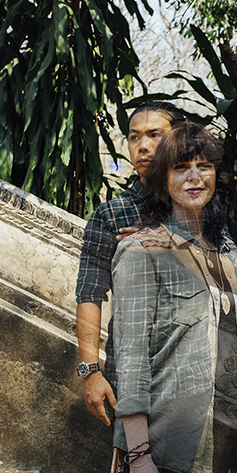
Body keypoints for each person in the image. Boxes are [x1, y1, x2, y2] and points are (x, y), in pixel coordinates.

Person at [109, 122, 237, 473]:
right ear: (162, 180)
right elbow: (132, 362)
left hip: (222, 452)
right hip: (163, 455)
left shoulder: (226, 251)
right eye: (180, 168)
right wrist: (138, 461)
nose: (194, 177)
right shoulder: (141, 251)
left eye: (203, 165)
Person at [75, 102, 185, 426]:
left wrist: (167, 240)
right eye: (135, 137)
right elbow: (88, 295)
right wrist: (90, 372)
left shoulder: (201, 210)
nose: (144, 145)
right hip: (130, 376)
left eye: (155, 135)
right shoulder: (110, 216)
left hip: (193, 375)